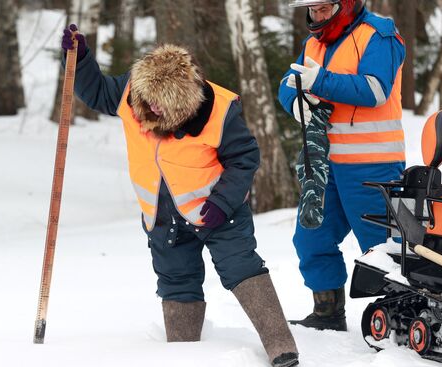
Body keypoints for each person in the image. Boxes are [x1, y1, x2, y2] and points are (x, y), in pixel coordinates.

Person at [61, 25, 299, 367]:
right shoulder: (132, 92)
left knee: (242, 268)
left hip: (218, 211)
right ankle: (182, 354)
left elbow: (245, 158)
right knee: (177, 281)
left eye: (162, 106)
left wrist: (221, 202)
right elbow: (96, 91)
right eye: (150, 103)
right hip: (162, 215)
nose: (153, 110)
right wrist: (80, 58)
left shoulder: (219, 109)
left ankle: (281, 345)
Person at [278, 0, 406, 331]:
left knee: (382, 249)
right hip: (323, 164)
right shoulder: (313, 43)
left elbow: (376, 90)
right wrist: (296, 105)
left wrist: (320, 81)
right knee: (311, 238)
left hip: (371, 164)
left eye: (323, 9)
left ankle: (401, 321)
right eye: (312, 11)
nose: (317, 17)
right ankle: (327, 314)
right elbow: (288, 82)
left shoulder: (379, 35)